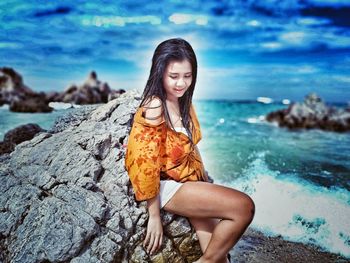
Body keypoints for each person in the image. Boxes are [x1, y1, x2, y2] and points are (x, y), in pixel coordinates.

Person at [125, 38, 255, 263]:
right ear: (159, 72)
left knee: (221, 258)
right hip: (170, 187)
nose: (181, 84)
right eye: (173, 76)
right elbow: (144, 162)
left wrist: (206, 185)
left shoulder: (183, 102)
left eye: (187, 76)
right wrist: (154, 215)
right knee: (244, 207)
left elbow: (191, 147)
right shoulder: (155, 105)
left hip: (191, 183)